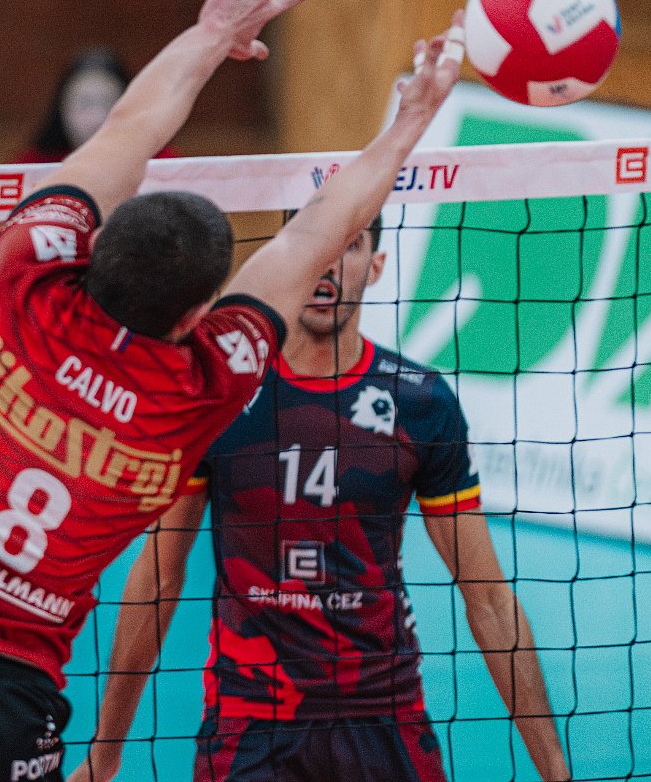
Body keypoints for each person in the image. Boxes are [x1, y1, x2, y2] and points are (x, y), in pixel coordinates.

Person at [0, 0, 467, 781]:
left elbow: (132, 126)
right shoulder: (203, 388)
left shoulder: (17, 287)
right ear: (202, 314)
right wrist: (411, 122)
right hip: (16, 707)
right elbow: (314, 236)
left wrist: (213, 34)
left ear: (90, 248)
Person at [71, 209, 571, 782]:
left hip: (383, 713)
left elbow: (489, 599)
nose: (329, 263)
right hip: (250, 720)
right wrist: (105, 755)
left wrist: (555, 773)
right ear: (285, 258)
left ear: (376, 266)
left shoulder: (420, 404)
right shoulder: (221, 392)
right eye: (315, 241)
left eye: (350, 245)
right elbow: (158, 578)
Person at [18, 47, 179, 163]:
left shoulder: (160, 162)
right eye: (85, 105)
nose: (97, 118)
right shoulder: (32, 165)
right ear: (61, 109)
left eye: (109, 104)